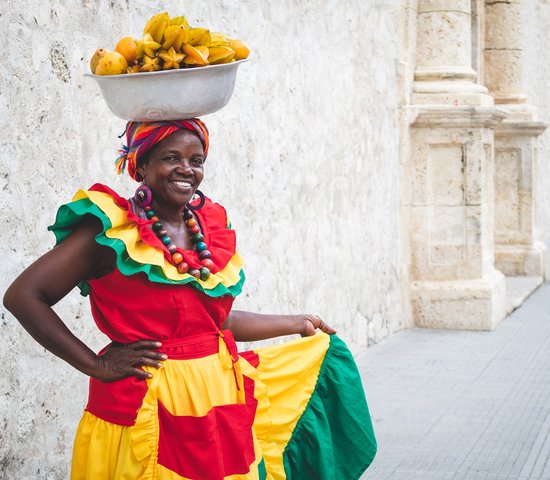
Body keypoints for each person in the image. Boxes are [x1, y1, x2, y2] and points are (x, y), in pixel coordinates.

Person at [3, 119, 376, 479]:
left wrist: (295, 322)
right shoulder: (111, 231)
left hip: (214, 401)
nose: (186, 169)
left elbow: (214, 324)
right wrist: (95, 365)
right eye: (170, 158)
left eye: (195, 160)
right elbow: (24, 296)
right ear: (141, 165)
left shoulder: (208, 231)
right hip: (144, 405)